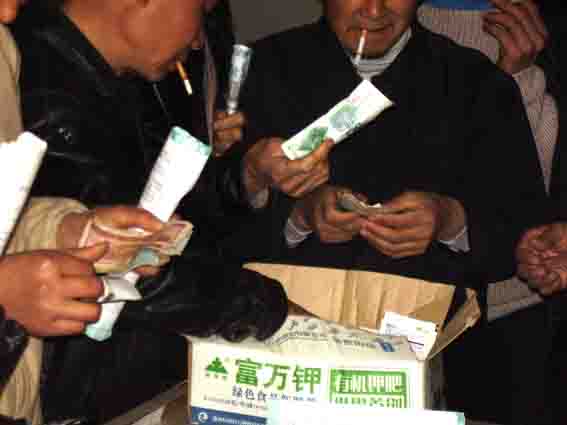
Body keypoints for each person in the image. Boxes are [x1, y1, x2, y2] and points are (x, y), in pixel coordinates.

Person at [227, 0, 548, 420]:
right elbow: (210, 222)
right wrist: (298, 217)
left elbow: (527, 237)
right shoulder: (261, 70)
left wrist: (450, 220)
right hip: (284, 361)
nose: (374, 10)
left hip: (434, 365)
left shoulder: (475, 81)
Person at [10, 0, 291, 422]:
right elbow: (127, 262)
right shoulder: (42, 87)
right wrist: (259, 304)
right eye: (199, 7)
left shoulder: (124, 79)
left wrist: (245, 177)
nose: (198, 40)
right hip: (69, 382)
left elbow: (161, 218)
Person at [414, 1, 559, 423]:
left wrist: (514, 82)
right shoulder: (383, 23)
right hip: (407, 299)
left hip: (515, 306)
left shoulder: (539, 31)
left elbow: (533, 202)